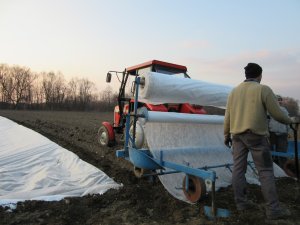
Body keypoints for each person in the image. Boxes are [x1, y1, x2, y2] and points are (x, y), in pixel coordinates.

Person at [223, 62, 298, 220]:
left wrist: (225, 135)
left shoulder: (234, 92)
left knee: (238, 169)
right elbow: (277, 114)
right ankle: (273, 210)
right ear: (260, 75)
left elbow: (227, 117)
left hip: (236, 135)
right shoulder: (263, 89)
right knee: (265, 171)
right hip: (256, 136)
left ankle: (241, 203)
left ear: (246, 75)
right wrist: (290, 120)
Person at [268, 95, 290, 168]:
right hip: (272, 132)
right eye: (278, 100)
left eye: (280, 100)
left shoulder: (284, 110)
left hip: (282, 133)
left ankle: (283, 168)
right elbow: (267, 120)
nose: (279, 101)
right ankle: (274, 166)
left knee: (281, 151)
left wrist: (288, 131)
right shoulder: (270, 110)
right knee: (271, 150)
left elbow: (288, 121)